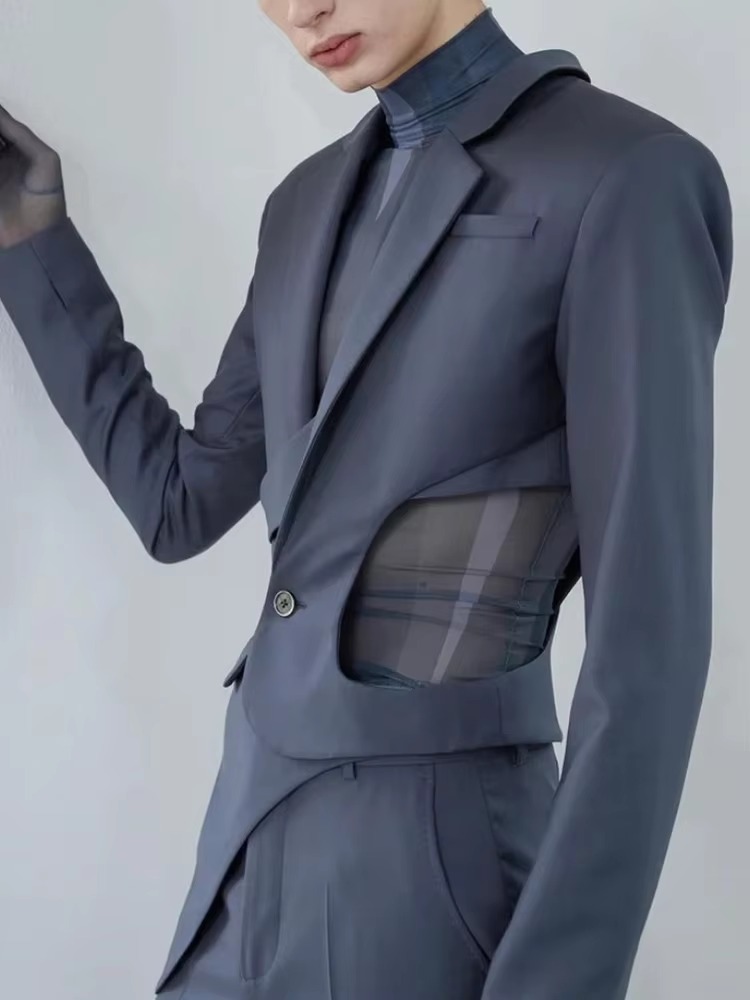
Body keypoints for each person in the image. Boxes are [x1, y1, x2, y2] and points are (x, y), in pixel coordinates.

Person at [0, 1, 734, 998]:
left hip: (430, 874)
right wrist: (31, 241)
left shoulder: (627, 175)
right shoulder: (303, 205)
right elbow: (180, 502)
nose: (303, 10)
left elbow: (649, 650)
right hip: (239, 857)